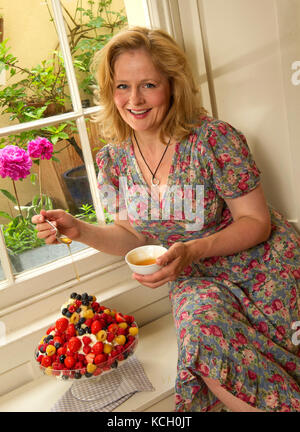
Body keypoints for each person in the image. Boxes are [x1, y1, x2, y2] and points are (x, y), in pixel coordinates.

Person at [32, 26, 300, 412]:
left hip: (261, 267)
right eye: (122, 86)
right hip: (193, 278)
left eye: (148, 85)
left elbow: (256, 222)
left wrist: (194, 249)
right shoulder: (113, 160)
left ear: (172, 86)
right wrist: (81, 230)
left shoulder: (213, 139)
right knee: (203, 339)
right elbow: (132, 234)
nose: (134, 100)